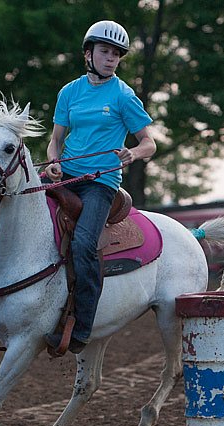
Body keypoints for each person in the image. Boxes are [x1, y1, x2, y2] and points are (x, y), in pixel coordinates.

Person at [44, 20, 156, 354]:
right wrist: (53, 162)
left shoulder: (124, 96)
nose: (111, 59)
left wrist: (132, 153)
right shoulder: (69, 92)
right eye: (105, 52)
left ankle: (82, 328)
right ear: (88, 53)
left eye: (116, 55)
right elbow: (55, 141)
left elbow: (149, 143)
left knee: (82, 245)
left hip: (100, 184)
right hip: (66, 177)